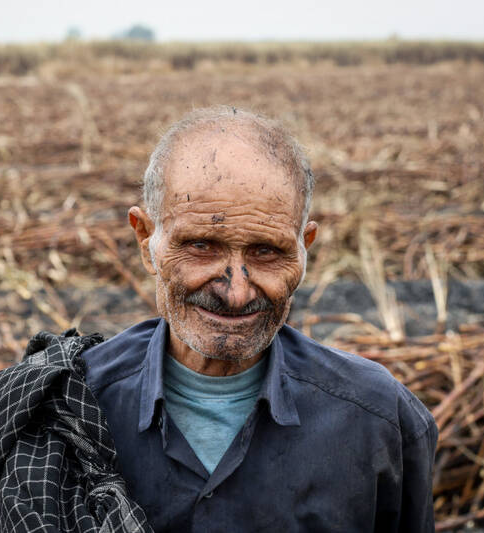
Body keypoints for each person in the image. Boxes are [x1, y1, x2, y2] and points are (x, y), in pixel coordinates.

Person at [80, 105, 439, 532]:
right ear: (146, 241)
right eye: (201, 246)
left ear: (305, 248)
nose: (236, 292)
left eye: (267, 251)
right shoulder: (73, 409)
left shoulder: (377, 419)